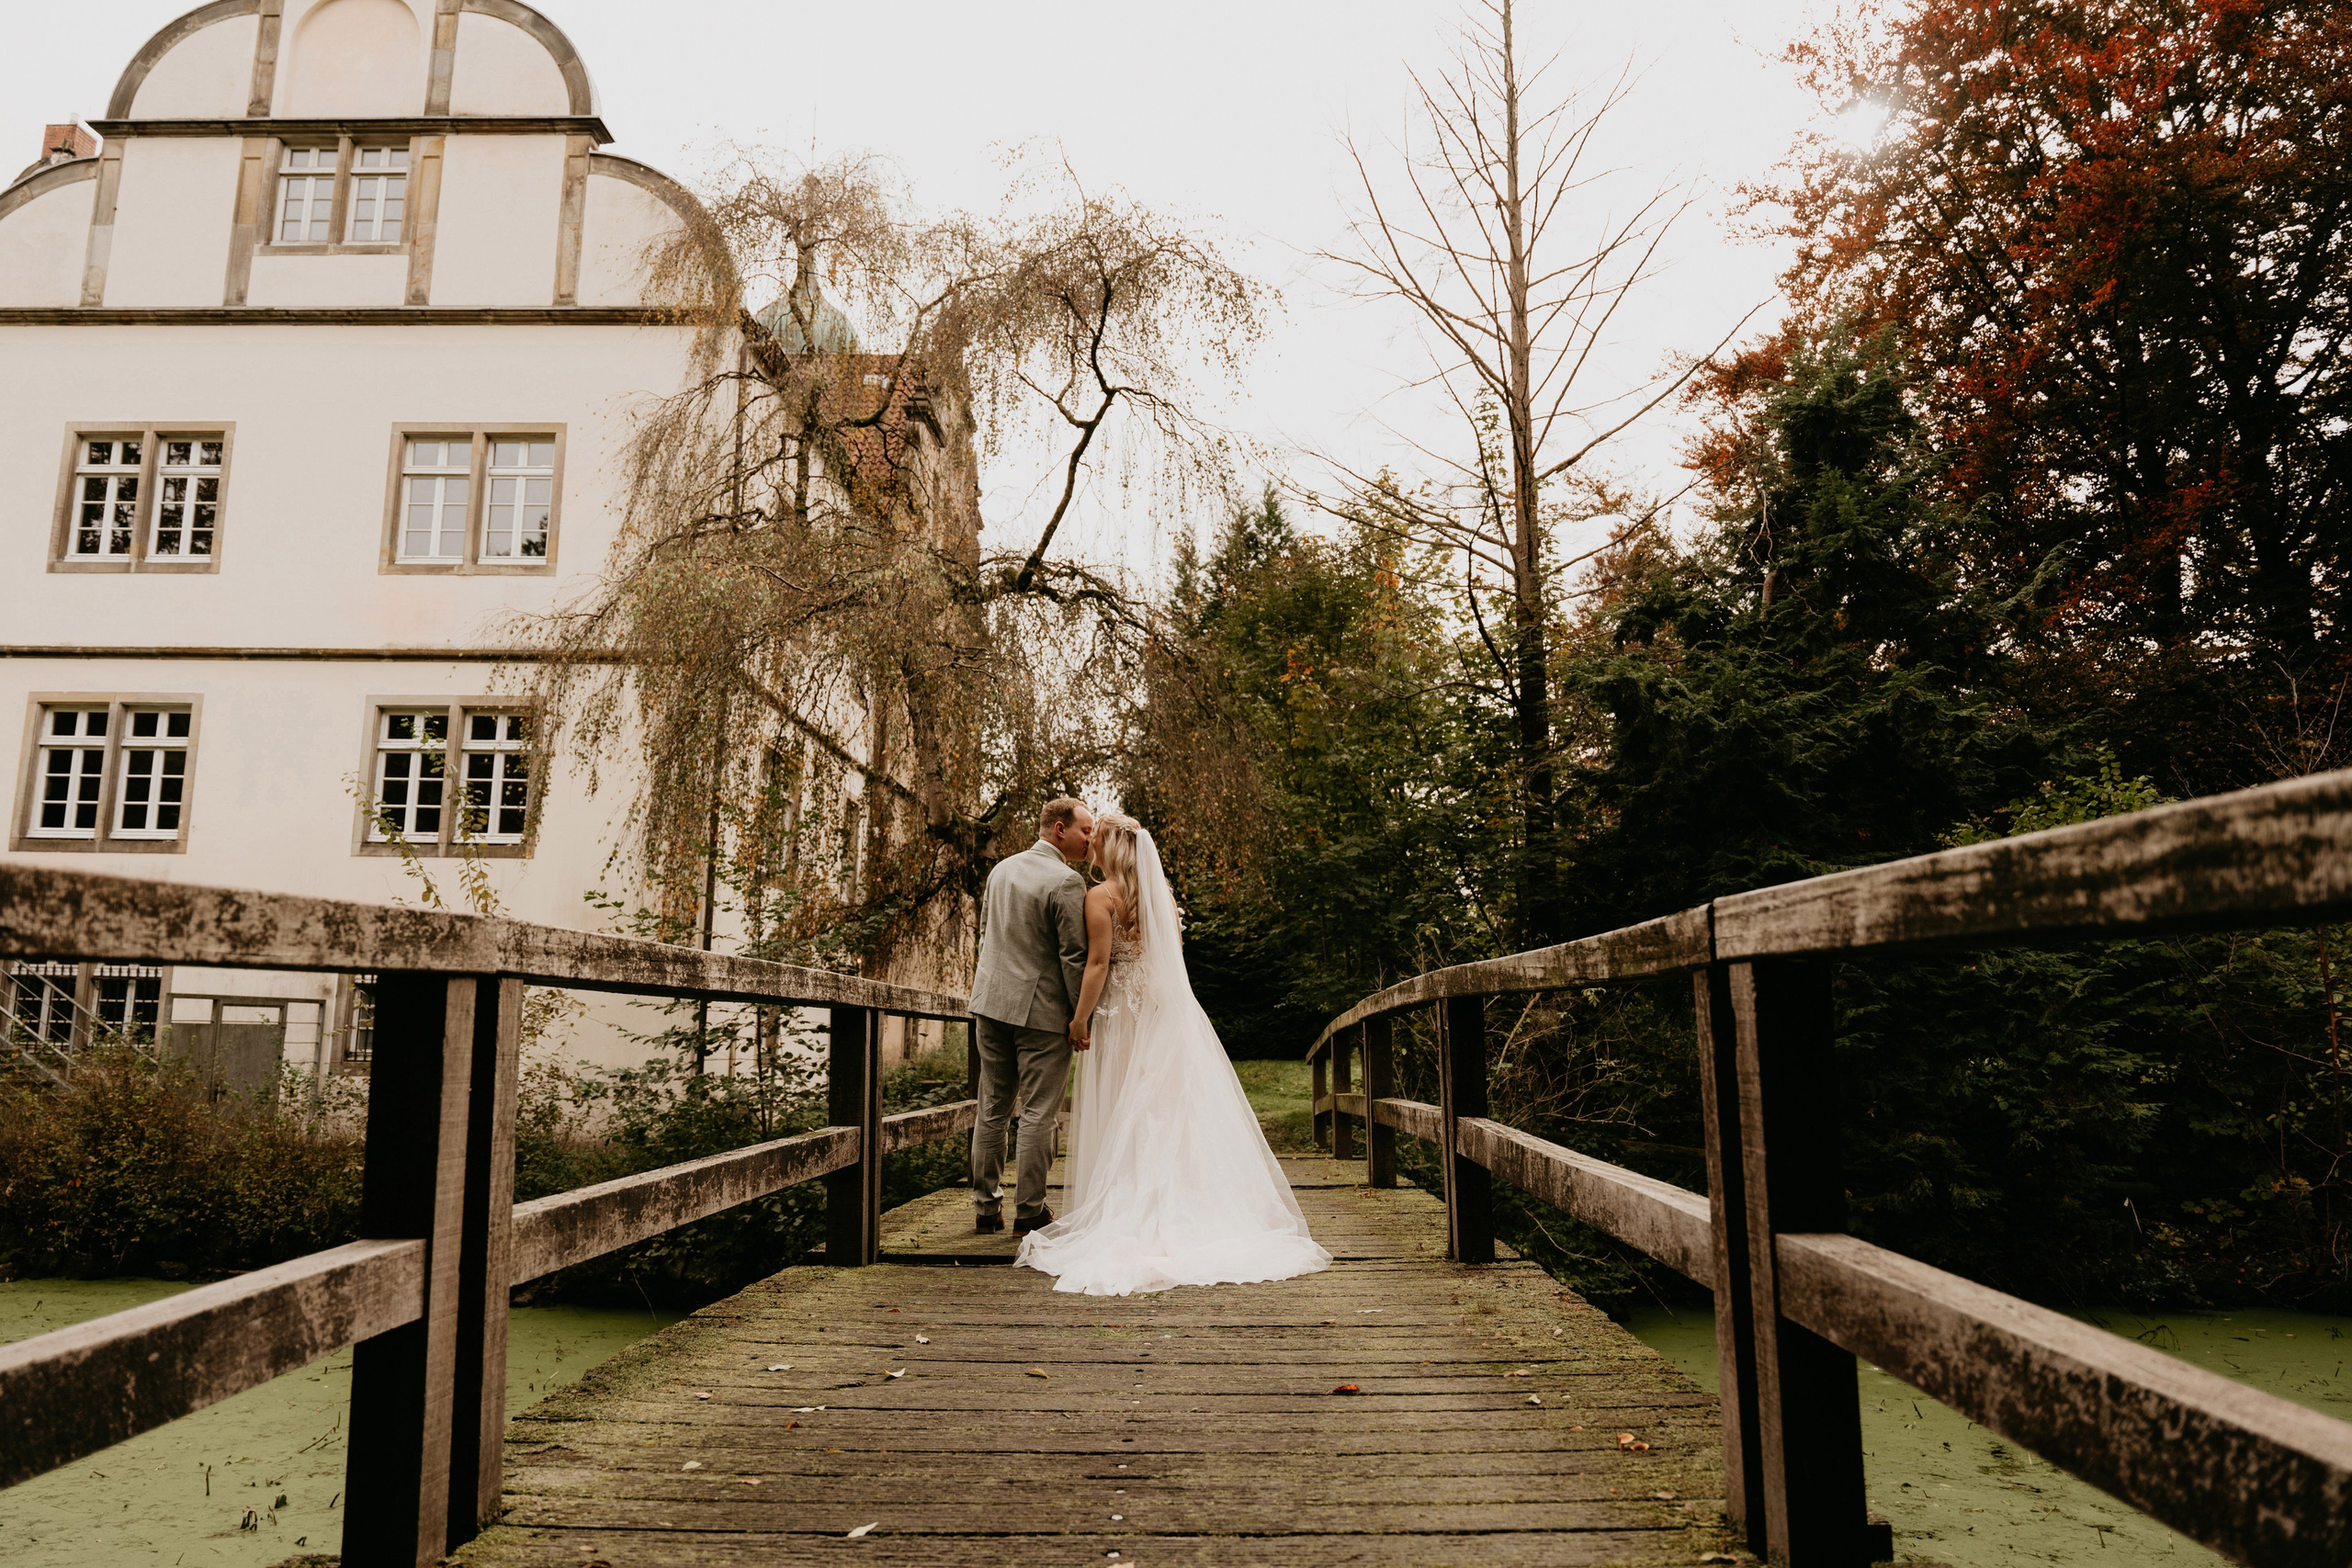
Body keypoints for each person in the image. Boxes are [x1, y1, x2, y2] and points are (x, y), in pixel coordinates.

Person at [1016, 811, 1332, 1294]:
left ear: (1110, 848)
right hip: (1163, 1011)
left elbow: (1098, 963)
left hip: (1121, 1013)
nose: (1090, 846)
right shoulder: (1160, 896)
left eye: (1095, 839)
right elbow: (1170, 960)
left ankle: (1132, 1203)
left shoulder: (1099, 896)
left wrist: (1078, 1018)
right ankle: (1184, 1199)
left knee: (1127, 1106)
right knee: (1164, 1108)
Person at [967, 797, 1094, 1234]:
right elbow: (1074, 957)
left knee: (993, 1108)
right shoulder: (1065, 881)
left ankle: (986, 1210)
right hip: (1041, 1014)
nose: (1090, 839)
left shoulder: (1001, 869)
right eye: (1085, 831)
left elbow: (988, 935)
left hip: (990, 1004)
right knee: (1039, 1112)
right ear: (1060, 829)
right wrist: (1082, 1017)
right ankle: (1030, 1212)